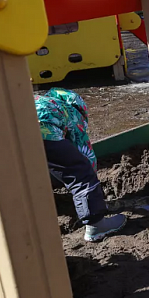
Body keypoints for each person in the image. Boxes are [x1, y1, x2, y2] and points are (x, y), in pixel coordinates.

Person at [35, 88, 126, 242]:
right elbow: (86, 155)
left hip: (11, 131)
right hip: (42, 129)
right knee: (80, 171)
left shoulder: (44, 101)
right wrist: (93, 185)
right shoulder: (72, 112)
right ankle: (96, 225)